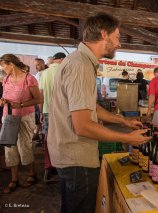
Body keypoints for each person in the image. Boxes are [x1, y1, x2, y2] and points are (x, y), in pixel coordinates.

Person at [47, 13, 150, 213]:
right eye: (118, 37)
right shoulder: (81, 66)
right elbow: (83, 126)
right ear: (104, 34)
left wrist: (121, 121)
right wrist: (127, 138)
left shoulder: (80, 61)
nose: (119, 44)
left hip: (69, 154)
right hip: (77, 157)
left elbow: (90, 107)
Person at [0, 54, 42, 193]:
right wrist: (3, 101)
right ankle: (14, 178)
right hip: (8, 117)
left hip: (25, 117)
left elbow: (38, 99)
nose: (2, 68)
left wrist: (21, 104)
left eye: (3, 65)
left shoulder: (29, 79)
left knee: (25, 146)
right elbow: (5, 96)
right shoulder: (6, 79)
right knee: (9, 147)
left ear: (11, 64)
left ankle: (32, 174)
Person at [39, 52, 66, 182]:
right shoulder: (64, 71)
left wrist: (40, 113)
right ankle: (61, 166)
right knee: (61, 138)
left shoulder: (44, 73)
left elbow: (41, 95)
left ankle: (48, 167)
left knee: (47, 139)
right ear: (61, 60)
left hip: (46, 111)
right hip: (62, 112)